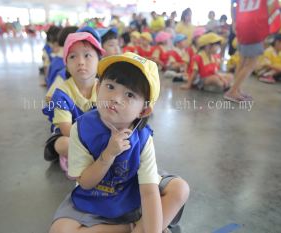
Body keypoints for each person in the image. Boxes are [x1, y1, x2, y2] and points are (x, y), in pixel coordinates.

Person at [49, 52, 189, 233]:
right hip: (95, 195)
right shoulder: (81, 129)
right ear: (98, 88)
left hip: (133, 189)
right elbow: (85, 183)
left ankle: (143, 228)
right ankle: (132, 228)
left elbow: (148, 192)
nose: (115, 98)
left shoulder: (143, 137)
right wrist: (108, 154)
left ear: (144, 110)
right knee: (59, 231)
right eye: (110, 86)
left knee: (180, 189)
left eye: (130, 94)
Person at [43, 32, 105, 176]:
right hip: (72, 136)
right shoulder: (61, 93)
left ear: (99, 61)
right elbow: (66, 129)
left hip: (97, 136)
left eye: (87, 55)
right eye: (72, 57)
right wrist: (92, 142)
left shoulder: (105, 88)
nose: (80, 62)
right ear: (66, 64)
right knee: (62, 144)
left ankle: (87, 161)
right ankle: (96, 161)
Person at [224, 0, 281, 102]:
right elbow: (273, 8)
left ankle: (237, 89)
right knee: (251, 64)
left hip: (242, 26)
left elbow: (233, 4)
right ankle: (232, 91)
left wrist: (234, 21)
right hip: (255, 27)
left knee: (242, 61)